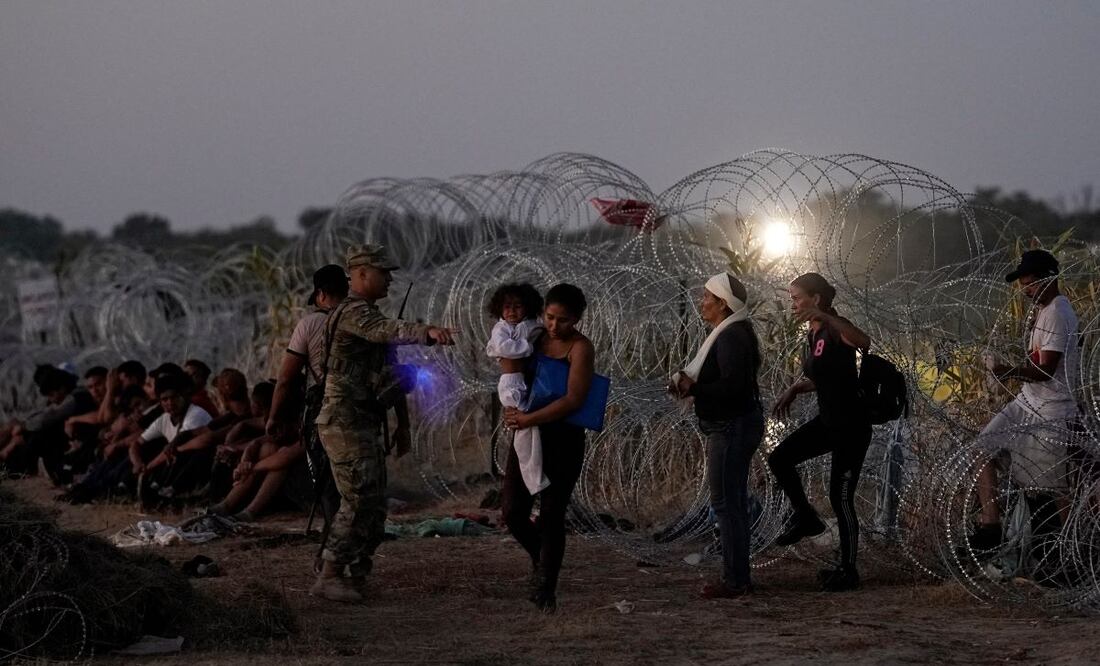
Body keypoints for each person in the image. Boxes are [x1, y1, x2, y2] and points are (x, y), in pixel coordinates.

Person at [310, 244, 455, 603]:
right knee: (358, 497)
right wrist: (426, 332)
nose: (390, 279)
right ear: (360, 275)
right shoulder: (353, 313)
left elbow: (388, 374)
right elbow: (384, 330)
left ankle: (357, 573)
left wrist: (402, 423)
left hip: (363, 418)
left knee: (373, 502)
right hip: (344, 419)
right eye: (383, 272)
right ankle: (329, 574)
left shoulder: (369, 318)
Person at [768, 272, 872, 592]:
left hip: (851, 426)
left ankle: (849, 570)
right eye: (792, 299)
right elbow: (830, 376)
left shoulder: (833, 325)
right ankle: (807, 518)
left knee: (840, 498)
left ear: (816, 298)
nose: (793, 304)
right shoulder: (813, 333)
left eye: (798, 298)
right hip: (829, 422)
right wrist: (797, 388)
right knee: (780, 458)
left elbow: (864, 342)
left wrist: (825, 316)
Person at [971, 249, 1081, 553]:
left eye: (1030, 284)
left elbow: (1045, 370)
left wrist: (1007, 371)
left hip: (1052, 409)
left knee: (1051, 487)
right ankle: (991, 525)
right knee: (983, 447)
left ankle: (1068, 550)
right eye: (1023, 285)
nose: (1026, 291)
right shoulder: (1044, 310)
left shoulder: (1058, 312)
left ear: (1050, 279)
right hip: (1027, 402)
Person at [502, 283, 595, 612]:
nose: (555, 326)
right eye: (550, 317)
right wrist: (512, 407)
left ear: (578, 319)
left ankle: (546, 587)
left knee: (552, 515)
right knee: (512, 512)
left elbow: (574, 399)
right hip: (528, 436)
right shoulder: (535, 338)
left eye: (564, 320)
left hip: (563, 439)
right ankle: (543, 560)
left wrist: (530, 418)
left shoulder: (580, 348)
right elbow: (511, 373)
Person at [671, 273, 764, 599]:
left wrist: (693, 388)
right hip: (733, 425)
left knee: (726, 504)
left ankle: (735, 580)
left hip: (730, 427)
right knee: (732, 504)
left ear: (722, 304)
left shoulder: (729, 338)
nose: (702, 302)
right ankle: (738, 577)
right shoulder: (732, 333)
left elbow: (732, 388)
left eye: (707, 297)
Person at [485, 283, 547, 494]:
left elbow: (539, 335)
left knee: (528, 427)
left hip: (529, 382)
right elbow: (503, 349)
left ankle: (535, 477)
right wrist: (526, 348)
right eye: (507, 306)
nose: (511, 311)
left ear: (528, 307)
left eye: (518, 306)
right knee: (523, 427)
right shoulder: (501, 328)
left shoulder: (532, 326)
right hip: (510, 384)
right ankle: (534, 479)